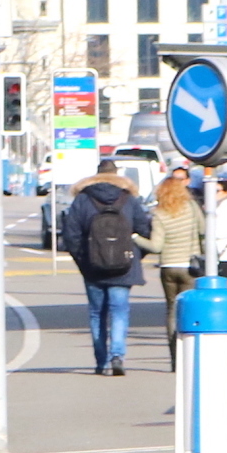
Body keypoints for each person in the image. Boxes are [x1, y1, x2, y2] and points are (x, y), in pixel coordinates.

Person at [59, 158, 152, 376]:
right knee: (119, 311)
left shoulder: (82, 199)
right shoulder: (128, 199)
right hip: (124, 265)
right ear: (117, 175)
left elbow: (71, 235)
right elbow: (144, 230)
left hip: (93, 265)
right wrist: (135, 256)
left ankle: (101, 362)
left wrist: (83, 260)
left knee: (96, 313)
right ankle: (117, 355)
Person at [144, 168, 207, 366]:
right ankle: (190, 355)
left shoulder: (159, 213)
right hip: (190, 265)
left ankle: (175, 358)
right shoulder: (191, 207)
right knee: (189, 310)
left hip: (169, 266)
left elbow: (156, 246)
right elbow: (203, 231)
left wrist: (135, 238)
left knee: (172, 309)